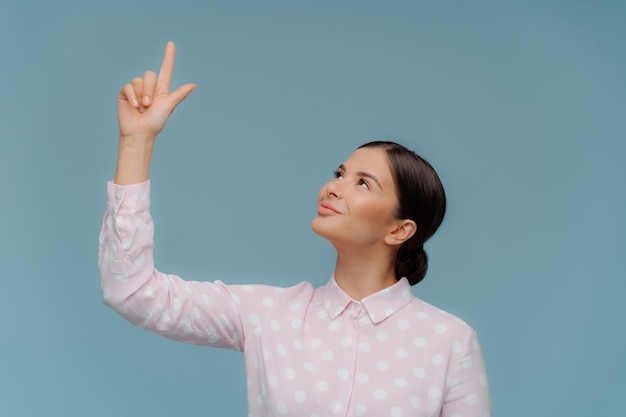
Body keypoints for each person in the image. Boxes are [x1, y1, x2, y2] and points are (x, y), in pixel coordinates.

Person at [99, 42, 492, 417]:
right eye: (340, 173)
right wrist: (136, 142)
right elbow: (132, 292)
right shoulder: (268, 316)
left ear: (400, 230)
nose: (333, 186)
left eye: (363, 183)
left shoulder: (450, 342)